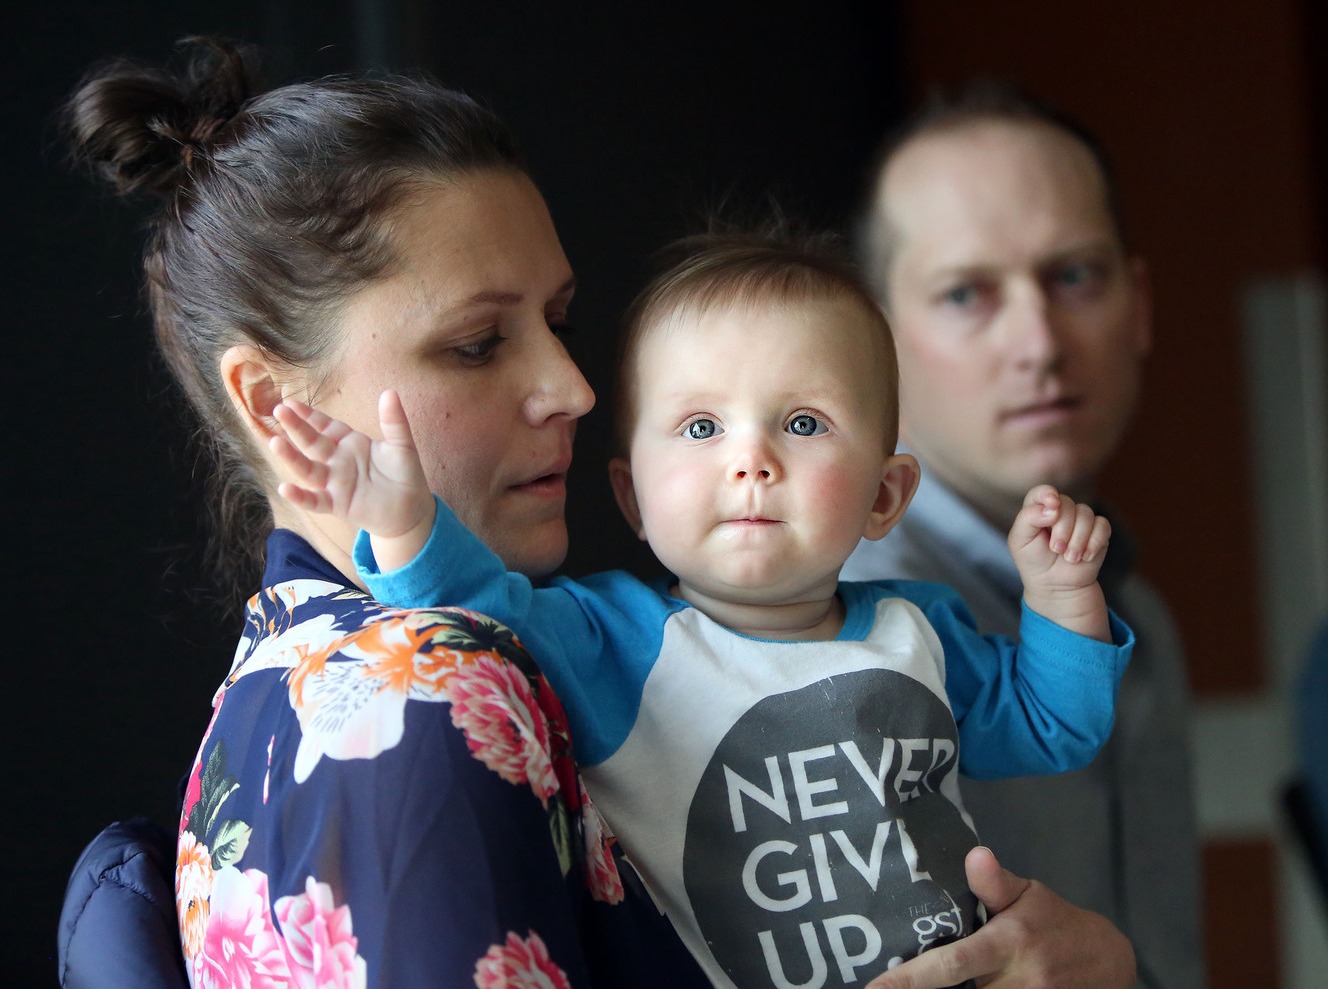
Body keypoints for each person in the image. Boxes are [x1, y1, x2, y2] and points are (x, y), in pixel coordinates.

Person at [61, 37, 1138, 989]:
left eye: (560, 322)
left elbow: (1048, 720)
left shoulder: (313, 696)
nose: (574, 388)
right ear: (272, 399)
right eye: (478, 343)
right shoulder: (424, 699)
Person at [269, 230, 1133, 987]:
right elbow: (465, 613)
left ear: (884, 495)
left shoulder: (921, 630)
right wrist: (404, 520)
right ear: (634, 500)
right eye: (699, 429)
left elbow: (1057, 723)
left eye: (802, 424)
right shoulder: (609, 640)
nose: (750, 460)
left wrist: (1061, 598)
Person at [841, 82, 1203, 989]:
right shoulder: (841, 631)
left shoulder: (1140, 620)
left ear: (1141, 302)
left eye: (1074, 275)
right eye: (967, 293)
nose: (1039, 342)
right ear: (872, 342)